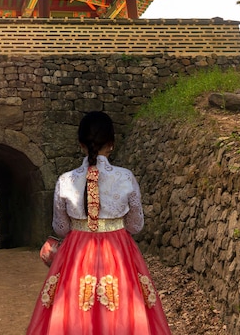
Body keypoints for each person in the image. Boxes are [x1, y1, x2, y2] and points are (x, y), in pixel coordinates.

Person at [26, 111, 172, 335]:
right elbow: (135, 226)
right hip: (119, 252)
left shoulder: (65, 180)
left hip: (76, 253)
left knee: (72, 312)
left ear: (81, 145)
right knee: (123, 311)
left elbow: (61, 228)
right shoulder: (125, 177)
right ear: (111, 144)